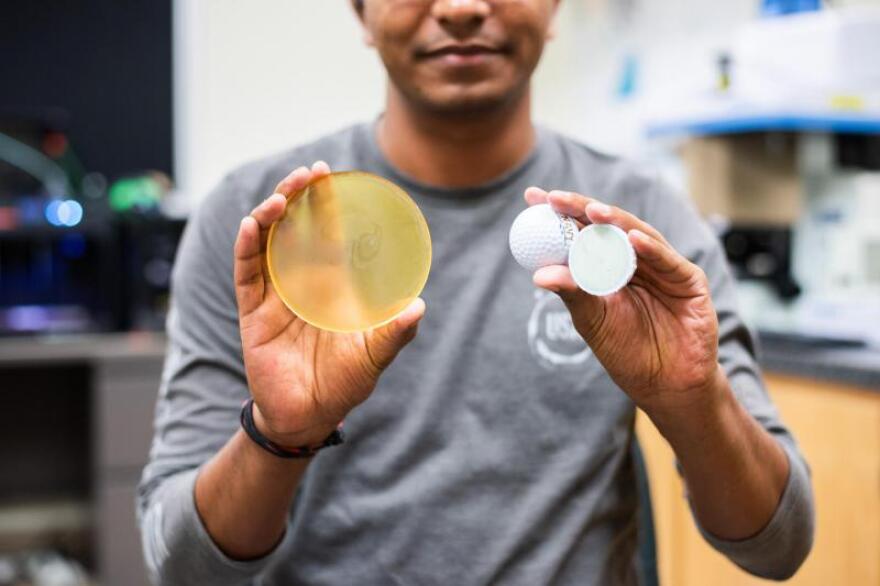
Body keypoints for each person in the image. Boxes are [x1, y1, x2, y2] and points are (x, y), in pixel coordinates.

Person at [138, 1, 814, 584]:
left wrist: (695, 403)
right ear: (358, 10)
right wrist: (279, 436)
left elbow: (778, 545)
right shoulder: (261, 229)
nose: (461, 6)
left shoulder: (634, 226)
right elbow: (181, 566)